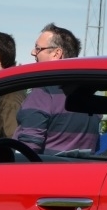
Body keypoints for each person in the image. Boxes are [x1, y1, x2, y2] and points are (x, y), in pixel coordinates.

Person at [13, 23, 100, 155]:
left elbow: (26, 150)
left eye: (38, 48)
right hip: (83, 172)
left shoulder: (43, 93)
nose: (32, 52)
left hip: (45, 173)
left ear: (56, 53)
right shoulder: (88, 95)